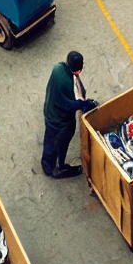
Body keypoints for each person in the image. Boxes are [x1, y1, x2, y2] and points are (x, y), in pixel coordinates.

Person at [41, 51, 98, 179]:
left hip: (49, 110)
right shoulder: (67, 84)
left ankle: (46, 163)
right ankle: (55, 168)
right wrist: (84, 104)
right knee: (60, 142)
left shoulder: (58, 68)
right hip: (59, 121)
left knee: (49, 139)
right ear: (77, 69)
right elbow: (69, 105)